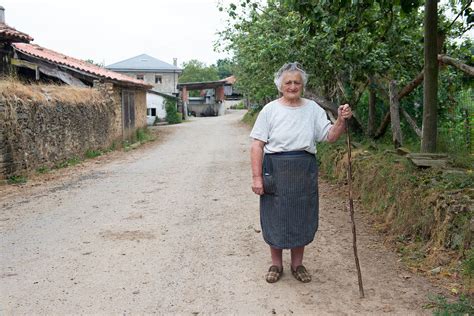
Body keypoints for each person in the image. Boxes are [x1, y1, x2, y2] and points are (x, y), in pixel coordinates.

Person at [250, 62, 353, 283]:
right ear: (280, 86)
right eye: (288, 82)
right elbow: (257, 145)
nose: (293, 86)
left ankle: (297, 265)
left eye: (297, 82)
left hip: (303, 170)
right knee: (275, 217)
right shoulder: (270, 110)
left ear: (303, 85)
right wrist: (257, 177)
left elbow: (330, 136)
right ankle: (276, 265)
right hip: (275, 169)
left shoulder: (313, 109)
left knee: (301, 216)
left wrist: (341, 120)